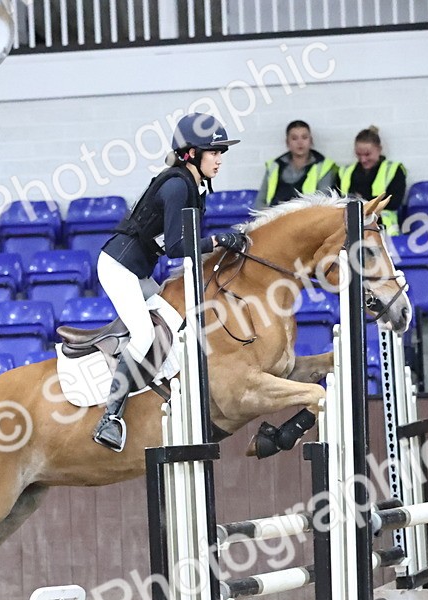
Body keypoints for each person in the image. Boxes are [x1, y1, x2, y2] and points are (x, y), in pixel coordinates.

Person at [92, 112, 247, 452]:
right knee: (146, 333)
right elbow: (178, 248)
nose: (219, 159)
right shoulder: (178, 185)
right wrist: (220, 241)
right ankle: (110, 418)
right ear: (191, 153)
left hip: (137, 270)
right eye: (213, 152)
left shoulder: (191, 185)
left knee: (173, 324)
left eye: (221, 152)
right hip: (118, 267)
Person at [338, 126, 407, 235]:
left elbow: (394, 202)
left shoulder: (394, 169)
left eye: (367, 154)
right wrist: (374, 200)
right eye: (358, 154)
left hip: (384, 231)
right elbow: (337, 201)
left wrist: (359, 200)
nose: (363, 159)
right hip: (350, 231)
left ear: (379, 149)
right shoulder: (344, 172)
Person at [255, 120, 339, 208]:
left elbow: (323, 201)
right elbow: (260, 201)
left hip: (306, 217)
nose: (300, 142)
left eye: (304, 137)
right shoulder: (274, 166)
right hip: (275, 217)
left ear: (311, 140)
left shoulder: (324, 167)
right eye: (294, 138)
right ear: (287, 142)